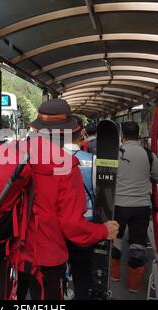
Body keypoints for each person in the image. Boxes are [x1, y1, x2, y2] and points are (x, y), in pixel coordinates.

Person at [15, 99, 119, 300]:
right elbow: (71, 224)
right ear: (66, 131)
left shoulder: (15, 153)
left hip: (16, 250)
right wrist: (104, 230)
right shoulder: (66, 166)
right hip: (47, 255)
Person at [111, 121, 158, 293]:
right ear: (138, 135)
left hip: (119, 204)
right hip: (141, 205)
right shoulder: (147, 154)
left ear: (122, 136)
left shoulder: (115, 153)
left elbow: (106, 177)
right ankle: (134, 285)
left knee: (116, 240)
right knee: (137, 244)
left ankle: (114, 274)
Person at [63, 116, 97, 299]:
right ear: (82, 133)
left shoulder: (51, 159)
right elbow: (97, 192)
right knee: (83, 272)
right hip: (85, 223)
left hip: (58, 225)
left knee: (57, 267)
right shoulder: (92, 160)